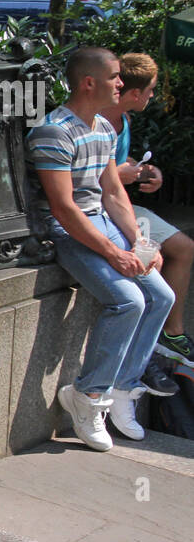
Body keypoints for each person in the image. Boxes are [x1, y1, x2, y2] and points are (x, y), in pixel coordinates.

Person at [27, 47, 175, 450]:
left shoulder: (104, 129)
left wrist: (140, 240)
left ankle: (124, 386)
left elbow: (113, 193)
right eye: (114, 78)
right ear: (89, 82)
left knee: (162, 295)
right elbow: (63, 207)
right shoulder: (54, 132)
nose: (122, 84)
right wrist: (114, 252)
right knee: (128, 300)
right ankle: (88, 395)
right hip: (67, 229)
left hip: (102, 223)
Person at [98, 52, 194, 372]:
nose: (153, 96)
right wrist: (124, 176)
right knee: (150, 264)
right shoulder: (95, 118)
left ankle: (172, 335)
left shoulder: (123, 120)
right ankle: (141, 357)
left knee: (183, 247)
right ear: (134, 93)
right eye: (151, 90)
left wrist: (146, 171)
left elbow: (120, 169)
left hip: (120, 203)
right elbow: (101, 179)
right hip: (99, 208)